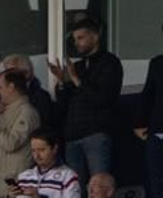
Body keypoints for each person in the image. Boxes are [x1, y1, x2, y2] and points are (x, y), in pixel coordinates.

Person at [48, 20, 124, 182]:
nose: (77, 43)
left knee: (99, 184)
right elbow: (65, 102)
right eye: (75, 39)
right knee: (74, 189)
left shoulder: (110, 62)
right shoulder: (79, 66)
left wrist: (76, 80)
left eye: (81, 37)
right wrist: (62, 81)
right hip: (72, 136)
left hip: (96, 134)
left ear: (95, 37)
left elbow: (103, 98)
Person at [0, 69, 40, 196]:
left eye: (0, 87)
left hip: (11, 191)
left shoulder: (27, 112)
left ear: (11, 87)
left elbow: (11, 143)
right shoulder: (2, 112)